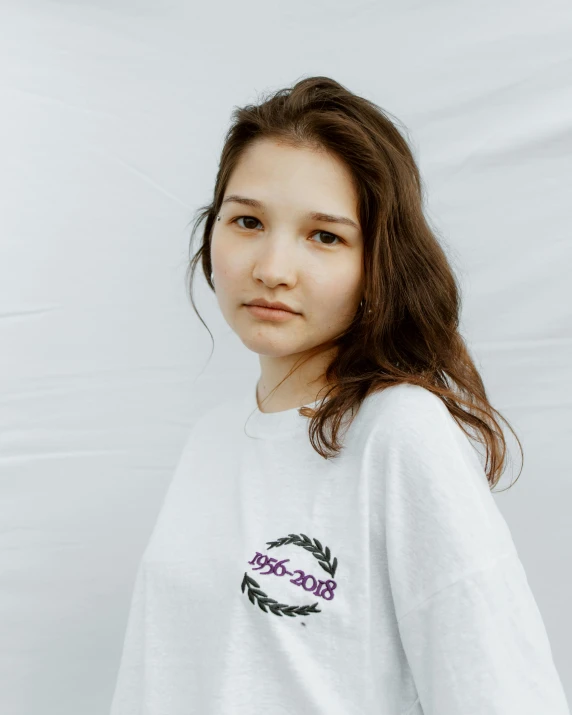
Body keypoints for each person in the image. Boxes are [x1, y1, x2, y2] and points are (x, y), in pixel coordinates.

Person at [108, 76, 570, 714]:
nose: (272, 267)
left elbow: (502, 694)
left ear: (378, 262)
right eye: (247, 221)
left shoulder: (400, 432)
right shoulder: (214, 437)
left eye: (324, 236)